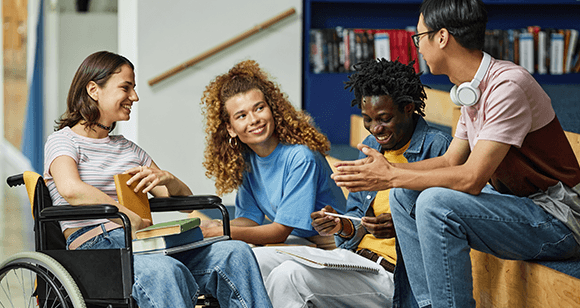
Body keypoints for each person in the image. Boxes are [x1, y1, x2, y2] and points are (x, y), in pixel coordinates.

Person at [331, 0, 580, 308]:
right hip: (518, 205)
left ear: (442, 37)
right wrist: (383, 174)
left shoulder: (507, 87)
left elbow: (471, 178)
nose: (418, 46)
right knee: (403, 195)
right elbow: (450, 160)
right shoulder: (471, 88)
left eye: (419, 36)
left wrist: (392, 174)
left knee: (435, 202)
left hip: (558, 219)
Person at [44, 51, 272, 308]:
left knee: (235, 253)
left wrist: (169, 179)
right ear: (94, 89)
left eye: (134, 88)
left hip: (141, 243)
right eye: (126, 88)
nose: (135, 97)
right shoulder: (63, 141)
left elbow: (184, 203)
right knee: (165, 271)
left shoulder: (129, 149)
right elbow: (71, 189)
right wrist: (124, 215)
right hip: (98, 248)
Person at [252, 59, 452, 308]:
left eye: (384, 118)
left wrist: (402, 226)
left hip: (393, 277)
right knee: (253, 259)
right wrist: (341, 225)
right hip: (354, 259)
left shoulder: (439, 149)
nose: (375, 128)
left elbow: (450, 226)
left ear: (408, 108)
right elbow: (356, 218)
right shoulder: (370, 147)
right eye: (367, 119)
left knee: (289, 276)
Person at [200, 60, 346, 248]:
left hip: (333, 243)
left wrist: (222, 231)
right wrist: (217, 225)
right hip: (300, 239)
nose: (254, 120)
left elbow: (278, 233)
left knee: (249, 259)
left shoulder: (301, 157)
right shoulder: (247, 160)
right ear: (230, 128)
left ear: (272, 109)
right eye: (241, 116)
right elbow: (249, 219)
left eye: (259, 108)